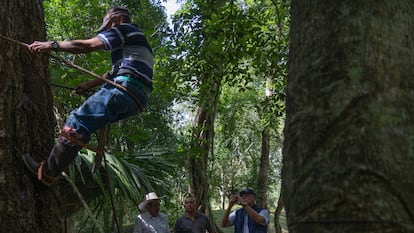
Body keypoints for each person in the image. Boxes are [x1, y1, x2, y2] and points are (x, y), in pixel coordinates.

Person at [22, 6, 153, 185]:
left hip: (125, 89)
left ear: (119, 20)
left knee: (77, 122)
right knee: (85, 127)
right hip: (137, 99)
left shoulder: (125, 30)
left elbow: (88, 46)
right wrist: (88, 85)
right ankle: (56, 168)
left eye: (108, 26)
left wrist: (52, 45)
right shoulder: (134, 45)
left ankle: (48, 172)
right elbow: (112, 73)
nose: (107, 31)